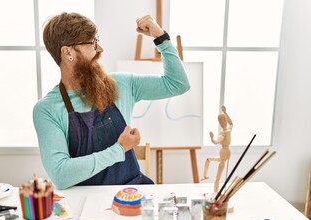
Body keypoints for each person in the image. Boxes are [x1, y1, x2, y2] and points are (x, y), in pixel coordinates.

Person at [33, 12, 190, 189]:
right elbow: (61, 175)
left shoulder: (122, 84)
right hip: (84, 203)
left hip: (131, 194)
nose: (100, 49)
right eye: (92, 43)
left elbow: (178, 84)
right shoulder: (47, 109)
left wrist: (160, 37)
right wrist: (119, 149)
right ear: (67, 52)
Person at [201, 105, 233, 192]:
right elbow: (231, 123)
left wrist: (212, 138)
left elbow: (216, 142)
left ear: (220, 123)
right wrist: (225, 112)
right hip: (227, 152)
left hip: (223, 154)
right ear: (225, 120)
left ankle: (215, 193)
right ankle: (205, 176)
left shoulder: (223, 134)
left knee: (217, 178)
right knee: (208, 159)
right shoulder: (229, 130)